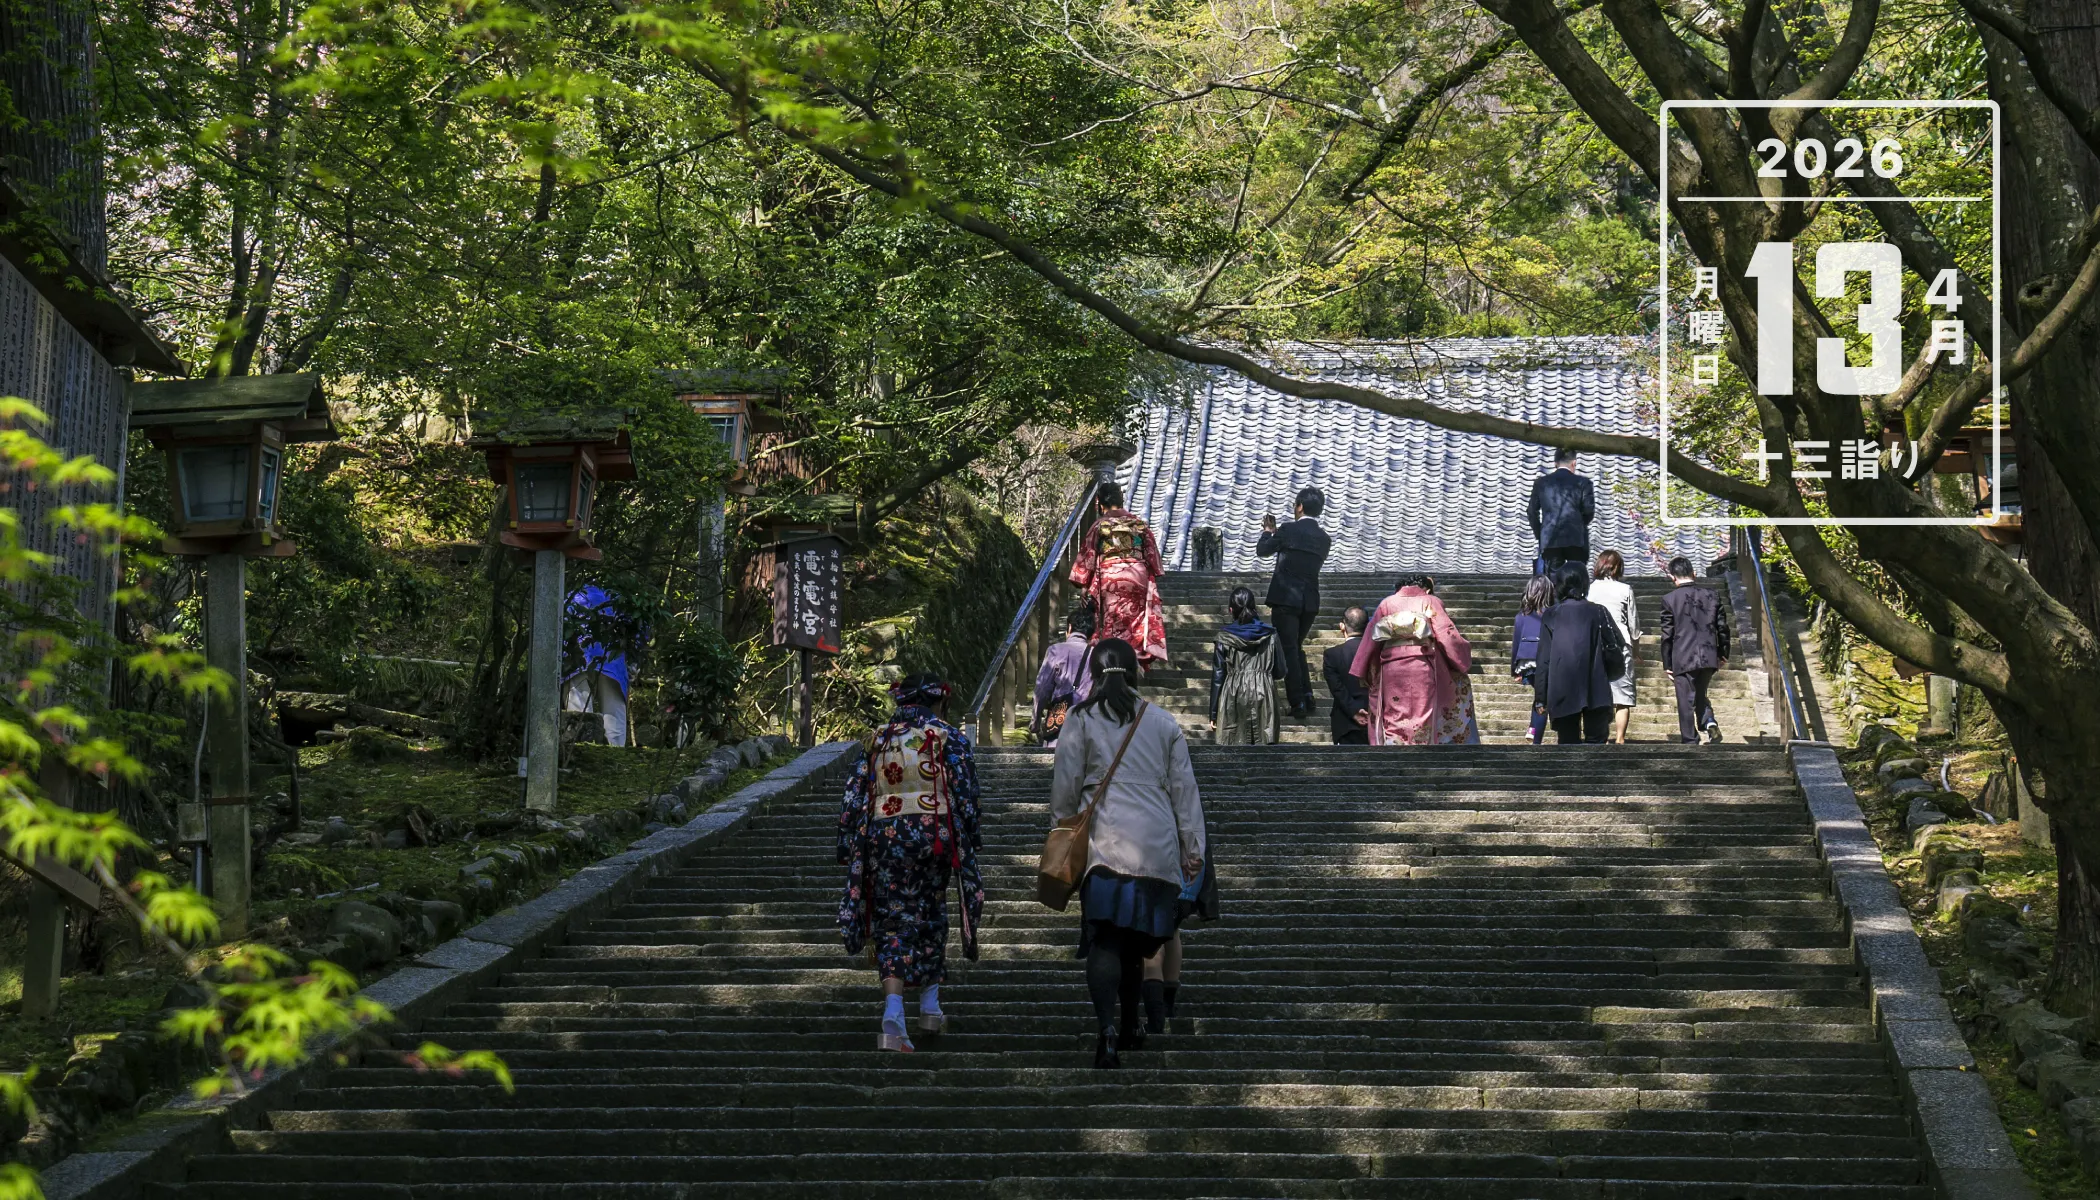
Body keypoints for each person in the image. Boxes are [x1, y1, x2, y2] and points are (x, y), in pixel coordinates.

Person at [1048, 638, 1205, 1068]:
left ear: (1093, 675)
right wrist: (1193, 848)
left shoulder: (1080, 719)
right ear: (1135, 672)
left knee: (1106, 941)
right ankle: (1135, 1023)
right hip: (1155, 847)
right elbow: (1184, 791)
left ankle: (1108, 1032)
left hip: (1105, 844)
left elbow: (1065, 784)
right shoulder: (1162, 722)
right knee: (1136, 944)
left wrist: (1064, 823)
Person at [836, 674, 984, 1052]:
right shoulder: (947, 736)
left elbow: (855, 795)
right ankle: (931, 1007)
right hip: (933, 837)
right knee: (931, 910)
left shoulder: (877, 739)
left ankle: (893, 1014)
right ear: (937, 702)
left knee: (893, 919)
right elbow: (965, 793)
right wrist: (970, 835)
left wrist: (847, 841)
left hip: (884, 840)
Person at [1349, 573, 1476, 746]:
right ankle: (1423, 747)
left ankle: (1394, 745)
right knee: (1422, 709)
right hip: (1422, 663)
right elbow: (1447, 636)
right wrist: (1461, 656)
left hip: (1391, 665)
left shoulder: (1387, 603)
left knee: (1394, 712)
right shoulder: (1430, 601)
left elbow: (1370, 640)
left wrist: (1362, 669)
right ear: (1426, 587)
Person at [1070, 483, 1167, 671]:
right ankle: (1134, 660)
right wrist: (1151, 574)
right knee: (1135, 620)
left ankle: (1112, 662)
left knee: (1112, 620)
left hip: (1110, 577)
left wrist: (1083, 585)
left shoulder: (1100, 525)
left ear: (1100, 503)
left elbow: (1089, 555)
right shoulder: (1139, 524)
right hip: (1137, 575)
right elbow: (1152, 555)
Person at [1255, 487, 1332, 718]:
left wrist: (1268, 531)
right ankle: (1307, 696)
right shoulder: (1324, 538)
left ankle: (1297, 701)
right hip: (1309, 601)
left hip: (1286, 598)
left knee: (1288, 648)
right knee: (1295, 647)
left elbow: (1263, 551)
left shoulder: (1288, 530)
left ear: (1299, 506)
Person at [1533, 562, 1626, 744]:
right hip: (1596, 684)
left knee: (1567, 743)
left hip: (1562, 687)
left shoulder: (1551, 615)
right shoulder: (1599, 611)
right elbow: (1617, 644)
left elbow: (1544, 659)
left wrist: (1540, 698)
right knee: (1596, 742)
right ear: (1585, 583)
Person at [1659, 556, 1732, 745]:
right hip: (1708, 656)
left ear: (1672, 577)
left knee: (1685, 700)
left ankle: (1690, 741)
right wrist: (1723, 653)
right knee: (1700, 694)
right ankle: (1708, 721)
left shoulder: (1669, 600)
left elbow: (1667, 635)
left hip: (1682, 657)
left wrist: (1667, 663)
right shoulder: (1712, 595)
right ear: (1694, 573)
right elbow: (1722, 627)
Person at [1209, 586, 1279, 745]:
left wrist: (1213, 712)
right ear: (1254, 608)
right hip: (1264, 691)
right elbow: (1280, 670)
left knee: (1233, 748)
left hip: (1233, 693)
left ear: (1231, 609)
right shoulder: (1271, 634)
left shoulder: (1223, 637)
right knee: (1265, 751)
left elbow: (1218, 677)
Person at [563, 585, 631, 746]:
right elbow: (634, 630)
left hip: (576, 658)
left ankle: (581, 746)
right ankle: (616, 751)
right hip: (612, 660)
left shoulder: (571, 596)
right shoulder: (616, 598)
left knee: (578, 705)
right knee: (613, 707)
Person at [1585, 550, 1640, 744]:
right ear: (1617, 567)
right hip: (1620, 643)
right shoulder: (1625, 589)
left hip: (1594, 644)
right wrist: (1637, 649)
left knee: (1595, 691)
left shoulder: (1589, 589)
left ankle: (1596, 735)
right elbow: (1633, 624)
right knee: (1622, 696)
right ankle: (1620, 738)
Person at [1032, 606, 1095, 746]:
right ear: (1091, 633)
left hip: (1059, 722)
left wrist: (1035, 721)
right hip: (1088, 723)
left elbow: (1041, 689)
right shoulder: (1096, 655)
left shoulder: (1055, 651)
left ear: (1070, 627)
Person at [1527, 448, 1596, 576]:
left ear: (1555, 463)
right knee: (1575, 577)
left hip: (1550, 538)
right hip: (1576, 538)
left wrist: (1540, 532)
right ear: (1574, 463)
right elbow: (1589, 511)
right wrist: (1579, 525)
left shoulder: (1541, 483)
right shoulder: (1584, 483)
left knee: (1552, 578)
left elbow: (1532, 511)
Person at [1511, 575, 1553, 745]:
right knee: (1544, 699)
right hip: (1546, 658)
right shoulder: (1552, 613)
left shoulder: (1521, 615)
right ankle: (1535, 737)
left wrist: (1515, 668)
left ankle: (1532, 729)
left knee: (1540, 695)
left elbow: (1516, 642)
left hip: (1527, 659)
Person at [1323, 605, 1371, 745]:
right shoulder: (1379, 653)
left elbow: (1337, 688)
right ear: (1368, 627)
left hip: (1345, 721)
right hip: (1376, 717)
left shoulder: (1332, 655)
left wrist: (1354, 710)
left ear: (1342, 626)